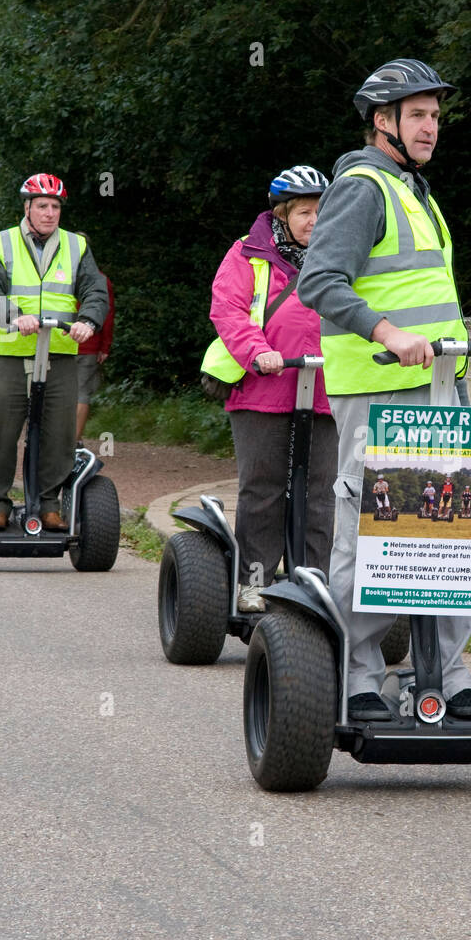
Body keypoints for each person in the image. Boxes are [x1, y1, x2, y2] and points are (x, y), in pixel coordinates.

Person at [298, 57, 471, 722]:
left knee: (454, 528)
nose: (432, 126)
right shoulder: (361, 188)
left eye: (436, 115)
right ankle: (358, 676)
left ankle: (450, 672)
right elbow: (319, 282)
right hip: (380, 389)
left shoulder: (415, 189)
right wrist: (387, 330)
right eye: (418, 115)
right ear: (382, 122)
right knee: (372, 528)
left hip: (439, 387)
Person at [207, 165, 337, 612]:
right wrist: (258, 351)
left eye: (322, 211)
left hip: (325, 391)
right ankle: (253, 583)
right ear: (281, 214)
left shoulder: (342, 257)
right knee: (262, 489)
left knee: (320, 493)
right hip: (261, 389)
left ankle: (314, 587)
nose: (315, 222)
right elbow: (228, 309)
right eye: (305, 212)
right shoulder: (248, 254)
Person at [0, 174, 108, 530]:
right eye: (42, 206)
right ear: (27, 208)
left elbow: (95, 290)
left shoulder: (76, 246)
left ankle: (50, 503)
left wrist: (89, 322)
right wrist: (15, 317)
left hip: (60, 353)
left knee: (59, 432)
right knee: (3, 429)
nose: (50, 213)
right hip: (12, 354)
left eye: (55, 207)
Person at [76, 266, 114, 439]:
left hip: (56, 344)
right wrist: (104, 346)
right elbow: (107, 313)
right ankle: (74, 443)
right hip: (88, 343)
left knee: (54, 394)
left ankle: (57, 443)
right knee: (81, 393)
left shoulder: (52, 274)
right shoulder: (100, 279)